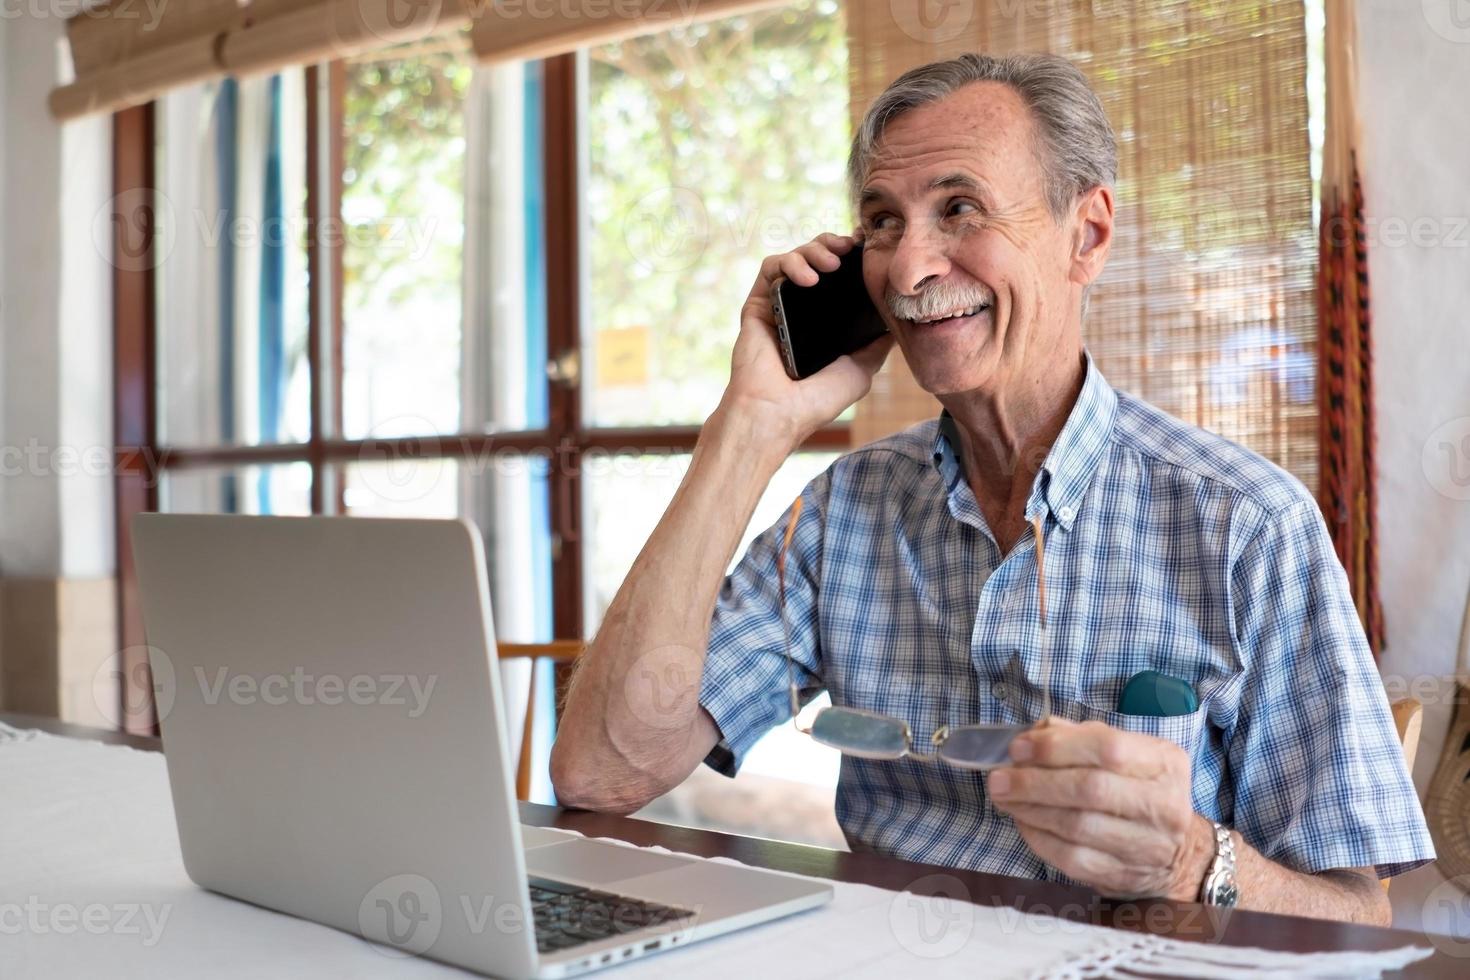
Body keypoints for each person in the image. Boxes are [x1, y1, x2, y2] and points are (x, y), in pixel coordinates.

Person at [550, 53, 1432, 924]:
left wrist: (1189, 860)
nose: (906, 271)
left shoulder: (1247, 526)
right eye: (884, 222)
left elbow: (1356, 918)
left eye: (959, 209)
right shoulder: (842, 512)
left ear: (1084, 236)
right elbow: (604, 770)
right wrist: (750, 425)